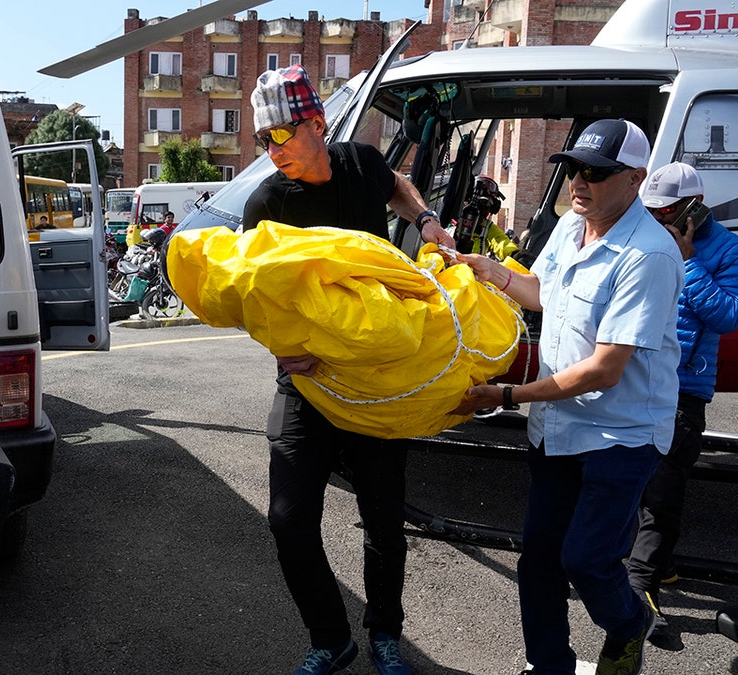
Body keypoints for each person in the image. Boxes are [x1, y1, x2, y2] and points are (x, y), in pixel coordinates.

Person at [241, 64, 455, 675]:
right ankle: (330, 637)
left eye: (279, 136)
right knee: (287, 519)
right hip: (306, 379)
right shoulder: (267, 204)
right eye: (263, 140)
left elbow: (398, 185)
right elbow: (251, 295)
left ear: (315, 124)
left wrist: (426, 220)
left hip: (376, 377)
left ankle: (385, 633)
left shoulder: (360, 163)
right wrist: (278, 349)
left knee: (384, 519)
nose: (271, 151)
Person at [452, 119, 683, 675]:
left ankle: (630, 624)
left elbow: (605, 369)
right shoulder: (570, 226)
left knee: (587, 559)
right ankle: (550, 665)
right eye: (574, 169)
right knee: (539, 563)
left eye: (596, 173)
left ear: (635, 179)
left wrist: (508, 394)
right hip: (558, 427)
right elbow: (542, 293)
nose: (580, 183)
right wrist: (490, 272)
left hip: (620, 434)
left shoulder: (648, 254)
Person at [626, 162, 738, 635]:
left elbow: (733, 315)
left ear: (694, 209)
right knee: (638, 478)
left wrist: (690, 262)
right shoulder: (647, 234)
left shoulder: (729, 250)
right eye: (653, 211)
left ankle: (639, 589)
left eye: (667, 212)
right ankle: (661, 564)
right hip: (638, 376)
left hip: (683, 388)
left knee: (663, 489)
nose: (658, 220)